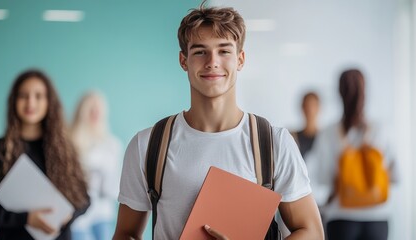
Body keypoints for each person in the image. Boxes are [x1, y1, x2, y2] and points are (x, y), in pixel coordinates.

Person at [113, 2, 324, 240]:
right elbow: (125, 233)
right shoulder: (148, 145)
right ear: (184, 61)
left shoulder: (274, 143)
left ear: (240, 59)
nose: (212, 61)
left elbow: (312, 232)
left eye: (224, 51)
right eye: (200, 51)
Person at [0, 69, 90, 240]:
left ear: (49, 102)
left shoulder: (64, 149)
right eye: (23, 96)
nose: (30, 102)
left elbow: (85, 199)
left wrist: (68, 216)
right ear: (14, 101)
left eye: (38, 96)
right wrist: (26, 219)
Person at [305, 69, 398, 240]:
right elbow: (397, 176)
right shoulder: (381, 130)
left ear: (339, 93)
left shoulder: (328, 133)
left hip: (341, 217)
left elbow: (323, 179)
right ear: (365, 91)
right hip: (377, 217)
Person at [70, 91, 122, 240]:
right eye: (90, 109)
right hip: (78, 216)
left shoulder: (113, 144)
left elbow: (115, 189)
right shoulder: (70, 143)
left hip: (103, 214)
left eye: (98, 110)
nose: (95, 114)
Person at [291, 92, 320, 159]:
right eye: (307, 106)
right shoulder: (293, 138)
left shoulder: (324, 138)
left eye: (313, 106)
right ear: (302, 108)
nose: (310, 110)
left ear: (318, 108)